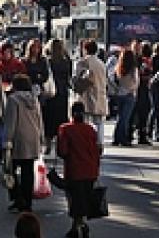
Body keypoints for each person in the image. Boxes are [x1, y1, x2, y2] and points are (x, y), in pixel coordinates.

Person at [3, 74, 45, 213]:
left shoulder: (13, 100)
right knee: (28, 171)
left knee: (11, 170)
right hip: (32, 138)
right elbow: (39, 120)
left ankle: (17, 198)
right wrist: (41, 137)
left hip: (18, 138)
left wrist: (7, 140)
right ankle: (27, 201)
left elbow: (11, 122)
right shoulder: (34, 100)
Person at [58, 102, 100, 238]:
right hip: (91, 170)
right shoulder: (91, 130)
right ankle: (78, 225)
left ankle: (78, 226)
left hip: (74, 171)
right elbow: (98, 149)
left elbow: (63, 151)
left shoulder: (65, 129)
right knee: (84, 199)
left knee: (75, 200)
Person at [74, 39, 108, 146]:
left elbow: (77, 79)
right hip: (100, 94)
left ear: (85, 49)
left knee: (85, 121)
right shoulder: (101, 63)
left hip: (87, 95)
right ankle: (99, 143)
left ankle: (86, 143)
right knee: (99, 122)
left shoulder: (82, 62)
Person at [43, 38, 72, 154]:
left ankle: (48, 144)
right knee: (61, 120)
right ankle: (61, 145)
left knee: (49, 120)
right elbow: (69, 77)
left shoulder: (47, 61)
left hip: (51, 93)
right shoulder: (66, 61)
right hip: (62, 93)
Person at [112, 49, 139, 147]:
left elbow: (112, 79)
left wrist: (117, 89)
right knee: (125, 118)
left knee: (120, 117)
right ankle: (122, 138)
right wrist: (131, 89)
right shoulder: (133, 69)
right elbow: (136, 82)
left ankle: (116, 138)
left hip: (119, 94)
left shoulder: (118, 68)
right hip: (129, 94)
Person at [132, 41, 154, 146]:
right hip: (142, 89)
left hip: (137, 89)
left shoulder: (136, 60)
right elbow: (145, 74)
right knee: (143, 112)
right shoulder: (144, 61)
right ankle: (141, 134)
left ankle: (134, 133)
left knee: (137, 112)